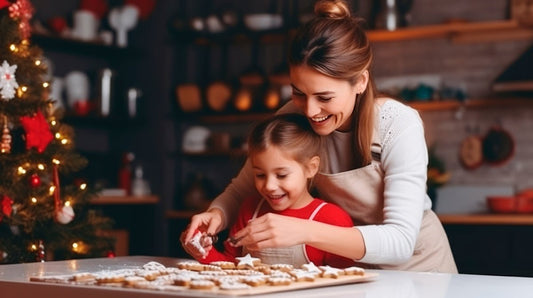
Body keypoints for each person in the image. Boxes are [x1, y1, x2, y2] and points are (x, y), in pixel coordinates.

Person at [183, 0, 457, 273]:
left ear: (360, 82)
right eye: (299, 93)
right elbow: (241, 189)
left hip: (420, 270)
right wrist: (216, 214)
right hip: (352, 269)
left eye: (324, 97)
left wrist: (304, 230)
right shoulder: (292, 114)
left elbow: (400, 242)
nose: (311, 111)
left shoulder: (398, 124)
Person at [181, 113, 357, 268]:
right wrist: (203, 253)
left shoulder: (333, 219)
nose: (269, 186)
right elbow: (230, 267)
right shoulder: (249, 210)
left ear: (311, 168)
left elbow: (345, 281)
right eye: (260, 175)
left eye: (281, 175)